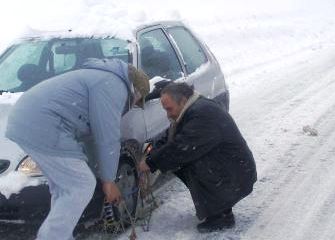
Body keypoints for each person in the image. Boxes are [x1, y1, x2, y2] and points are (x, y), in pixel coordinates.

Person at [6, 58, 149, 240]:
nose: (134, 105)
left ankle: (58, 236)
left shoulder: (100, 77)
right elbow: (107, 137)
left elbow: (91, 137)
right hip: (44, 123)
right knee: (81, 184)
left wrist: (101, 172)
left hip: (26, 120)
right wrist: (109, 181)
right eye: (138, 101)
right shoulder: (113, 86)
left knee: (65, 188)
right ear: (135, 90)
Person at [139, 82, 257, 233]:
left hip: (237, 173)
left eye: (169, 109)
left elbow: (181, 147)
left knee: (190, 159)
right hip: (230, 168)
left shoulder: (203, 114)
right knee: (181, 159)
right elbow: (171, 137)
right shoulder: (192, 108)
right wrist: (152, 153)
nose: (168, 114)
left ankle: (221, 216)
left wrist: (151, 162)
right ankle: (220, 207)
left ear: (182, 101)